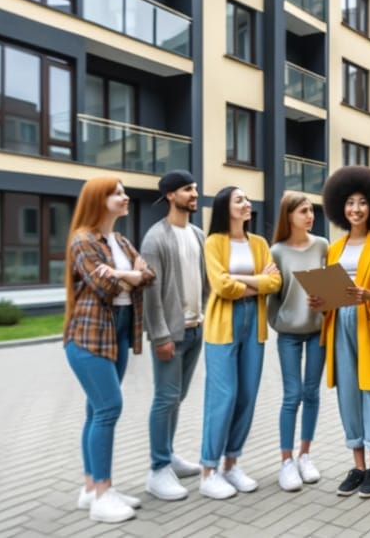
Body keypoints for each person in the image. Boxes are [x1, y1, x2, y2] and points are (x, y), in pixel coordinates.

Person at [63, 177, 154, 523]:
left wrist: (121, 271)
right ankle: (102, 495)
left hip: (117, 332)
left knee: (95, 412)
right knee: (108, 408)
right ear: (99, 200)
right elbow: (103, 286)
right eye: (117, 193)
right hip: (89, 335)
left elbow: (151, 275)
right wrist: (130, 274)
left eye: (123, 191)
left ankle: (92, 488)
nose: (125, 196)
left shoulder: (120, 240)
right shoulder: (83, 241)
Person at [318, 167, 370, 499]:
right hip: (340, 321)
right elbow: (330, 291)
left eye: (363, 203)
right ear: (341, 207)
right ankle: (356, 465)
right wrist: (320, 299)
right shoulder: (334, 248)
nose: (356, 209)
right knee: (349, 393)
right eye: (350, 203)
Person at [198, 186, 281, 499]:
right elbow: (220, 286)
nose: (247, 204)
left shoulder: (259, 243)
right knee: (224, 395)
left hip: (254, 326)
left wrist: (243, 282)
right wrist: (255, 282)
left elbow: (275, 281)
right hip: (222, 326)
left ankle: (231, 464)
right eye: (240, 200)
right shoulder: (214, 242)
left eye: (247, 199)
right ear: (226, 208)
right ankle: (208, 470)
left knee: (246, 395)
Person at [140, 170, 206, 502]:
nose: (194, 194)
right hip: (171, 335)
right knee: (164, 398)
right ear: (170, 196)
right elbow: (150, 294)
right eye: (187, 190)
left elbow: (204, 282)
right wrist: (160, 336)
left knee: (176, 398)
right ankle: (157, 469)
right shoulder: (156, 238)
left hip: (196, 329)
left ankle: (169, 455)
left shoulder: (197, 234)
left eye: (194, 189)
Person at [268, 191, 329, 492]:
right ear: (289, 215)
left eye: (311, 210)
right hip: (289, 334)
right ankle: (286, 461)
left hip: (318, 331)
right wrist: (280, 321)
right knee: (292, 396)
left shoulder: (322, 245)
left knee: (312, 393)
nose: (310, 215)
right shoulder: (276, 251)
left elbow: (331, 288)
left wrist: (325, 301)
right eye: (303, 211)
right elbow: (272, 296)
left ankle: (305, 455)